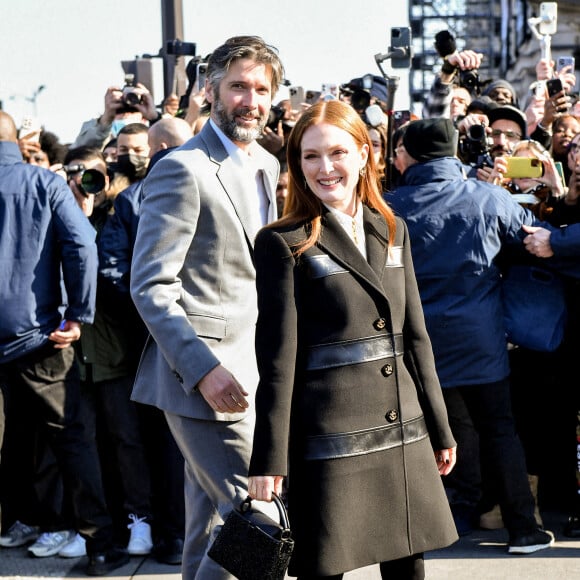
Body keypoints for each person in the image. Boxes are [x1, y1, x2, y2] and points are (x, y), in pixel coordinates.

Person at [247, 100, 458, 580]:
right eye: (310, 156)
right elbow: (278, 360)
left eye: (337, 152)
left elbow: (415, 337)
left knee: (408, 565)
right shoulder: (282, 241)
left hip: (402, 432)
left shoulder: (392, 227)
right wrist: (268, 459)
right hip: (329, 444)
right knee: (324, 568)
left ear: (364, 153)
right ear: (297, 165)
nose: (325, 168)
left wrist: (440, 428)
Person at [129, 36, 284, 579]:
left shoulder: (268, 163)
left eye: (262, 89)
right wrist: (203, 370)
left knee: (210, 536)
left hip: (257, 376)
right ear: (209, 89)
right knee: (260, 523)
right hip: (206, 384)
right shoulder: (183, 168)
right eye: (239, 85)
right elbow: (150, 285)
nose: (251, 99)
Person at [387, 117, 555, 554]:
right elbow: (535, 241)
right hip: (480, 337)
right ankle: (523, 528)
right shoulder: (490, 197)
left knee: (423, 434)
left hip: (417, 342)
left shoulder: (388, 207)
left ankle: (431, 526)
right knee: (498, 429)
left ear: (411, 155)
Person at [0, 111, 129, 575]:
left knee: (16, 441)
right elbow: (82, 245)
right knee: (73, 439)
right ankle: (99, 544)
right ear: (17, 141)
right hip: (40, 335)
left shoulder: (46, 182)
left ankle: (24, 520)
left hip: (26, 336)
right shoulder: (45, 184)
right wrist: (79, 314)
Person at [98, 116, 194, 565]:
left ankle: (171, 537)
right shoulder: (211, 181)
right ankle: (186, 534)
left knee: (158, 437)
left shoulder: (132, 199)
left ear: (153, 146)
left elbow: (112, 267)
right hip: (210, 334)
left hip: (149, 339)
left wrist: (145, 314)